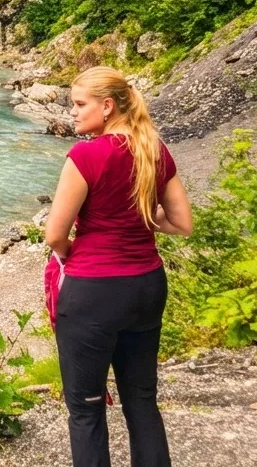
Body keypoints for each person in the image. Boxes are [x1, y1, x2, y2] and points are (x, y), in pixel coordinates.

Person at [44, 66, 193, 467]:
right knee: (142, 402)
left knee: (87, 410)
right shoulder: (154, 150)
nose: (71, 112)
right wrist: (145, 218)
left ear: (107, 106)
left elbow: (55, 233)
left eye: (79, 104)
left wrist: (70, 253)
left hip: (94, 292)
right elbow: (182, 223)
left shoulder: (86, 155)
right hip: (146, 285)